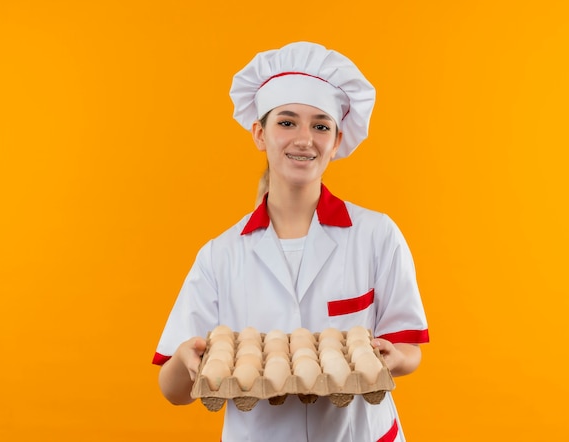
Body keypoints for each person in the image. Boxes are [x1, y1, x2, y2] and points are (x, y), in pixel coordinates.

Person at [153, 41, 429, 441]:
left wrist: (392, 358)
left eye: (320, 125)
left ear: (335, 142)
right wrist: (184, 361)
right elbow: (172, 390)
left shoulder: (376, 235)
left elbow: (410, 348)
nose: (304, 138)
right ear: (260, 134)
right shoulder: (221, 256)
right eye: (287, 122)